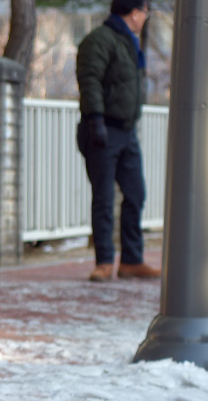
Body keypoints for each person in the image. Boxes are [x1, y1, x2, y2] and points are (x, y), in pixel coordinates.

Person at [76, 0, 157, 281]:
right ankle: (104, 262)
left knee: (136, 193)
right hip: (103, 129)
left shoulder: (128, 41)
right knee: (104, 198)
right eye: (146, 12)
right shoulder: (100, 40)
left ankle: (132, 261)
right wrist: (96, 119)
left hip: (127, 131)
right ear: (135, 12)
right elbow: (90, 80)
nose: (146, 18)